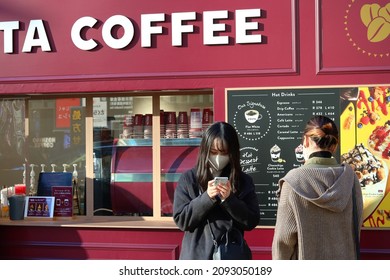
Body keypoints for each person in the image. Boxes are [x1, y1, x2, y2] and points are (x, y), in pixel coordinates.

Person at [272, 115, 363, 260]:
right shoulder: (351, 179)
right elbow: (356, 227)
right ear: (335, 145)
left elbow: (283, 241)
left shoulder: (293, 181)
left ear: (306, 140)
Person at [173, 121, 260, 259]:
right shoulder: (189, 179)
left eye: (224, 152)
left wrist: (230, 199)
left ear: (232, 153)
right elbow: (182, 220)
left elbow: (251, 221)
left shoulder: (243, 181)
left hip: (231, 256)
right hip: (196, 257)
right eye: (213, 152)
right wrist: (207, 197)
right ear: (205, 150)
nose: (218, 158)